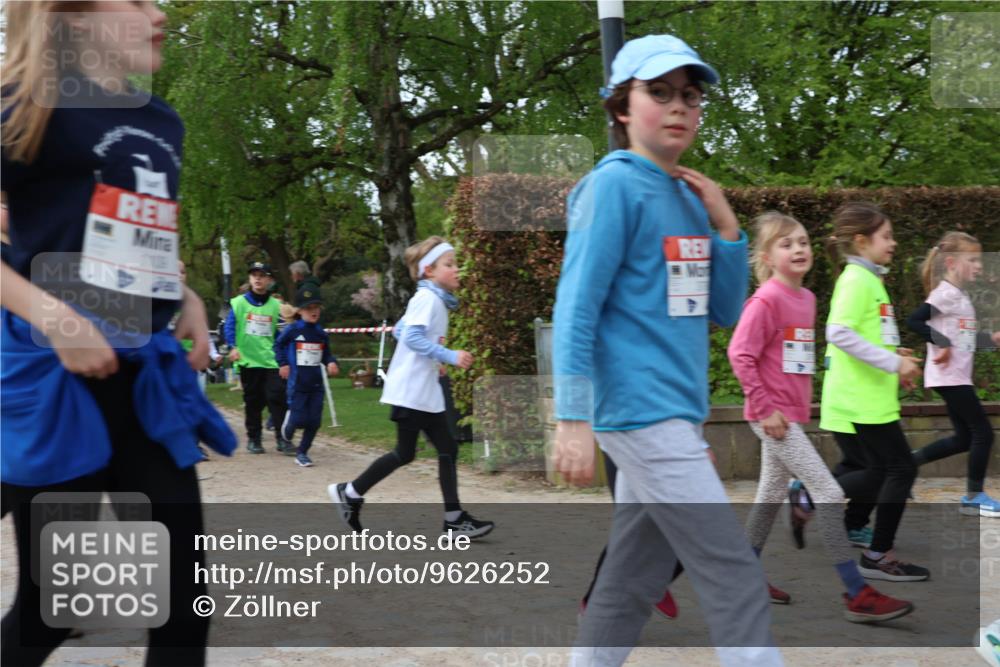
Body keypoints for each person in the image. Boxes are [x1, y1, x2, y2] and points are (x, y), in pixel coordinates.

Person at [1, 3, 236, 665]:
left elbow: (130, 239)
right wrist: (55, 318)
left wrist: (184, 295)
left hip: (145, 384)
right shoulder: (26, 107)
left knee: (185, 604)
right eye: (132, 1)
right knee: (51, 611)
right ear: (74, 18)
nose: (158, 13)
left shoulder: (163, 121)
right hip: (57, 389)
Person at [551, 34, 782, 667]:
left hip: (673, 413)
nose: (678, 105)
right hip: (641, 412)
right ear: (621, 107)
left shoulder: (687, 197)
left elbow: (723, 310)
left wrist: (727, 228)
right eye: (658, 92)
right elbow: (575, 307)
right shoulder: (611, 188)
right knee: (733, 570)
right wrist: (572, 418)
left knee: (633, 576)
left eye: (690, 95)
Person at [729, 212, 913, 622]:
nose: (798, 249)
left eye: (803, 242)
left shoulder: (807, 299)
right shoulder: (766, 300)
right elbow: (739, 354)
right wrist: (766, 408)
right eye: (786, 244)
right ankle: (857, 592)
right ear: (766, 257)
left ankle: (740, 577)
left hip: (787, 417)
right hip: (771, 417)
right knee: (828, 493)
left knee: (770, 496)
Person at [330, 236, 495, 539]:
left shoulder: (432, 299)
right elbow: (411, 337)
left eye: (456, 263)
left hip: (422, 391)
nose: (457, 269)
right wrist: (448, 355)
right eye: (449, 264)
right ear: (428, 271)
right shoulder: (428, 299)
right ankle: (351, 492)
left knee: (438, 449)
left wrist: (435, 359)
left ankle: (452, 519)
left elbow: (400, 329)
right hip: (412, 392)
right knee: (414, 452)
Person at [820, 201, 930, 582]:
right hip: (863, 400)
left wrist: (895, 356)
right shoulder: (857, 279)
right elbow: (839, 332)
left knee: (883, 471)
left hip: (871, 399)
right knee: (899, 469)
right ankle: (877, 554)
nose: (893, 243)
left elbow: (866, 335)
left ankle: (869, 544)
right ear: (861, 241)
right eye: (886, 236)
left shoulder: (869, 279)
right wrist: (893, 364)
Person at [906, 231, 1000, 517]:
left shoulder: (959, 296)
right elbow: (915, 320)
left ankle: (907, 464)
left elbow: (964, 340)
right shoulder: (945, 294)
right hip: (950, 377)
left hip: (955, 376)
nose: (979, 266)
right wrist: (942, 342)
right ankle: (973, 497)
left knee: (964, 439)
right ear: (951, 262)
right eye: (972, 260)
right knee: (983, 434)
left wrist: (991, 340)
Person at [223, 262, 292, 453]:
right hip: (249, 361)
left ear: (269, 280)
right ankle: (254, 439)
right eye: (254, 275)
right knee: (254, 402)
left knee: (277, 398)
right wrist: (233, 347)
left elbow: (282, 334)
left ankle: (283, 439)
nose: (258, 279)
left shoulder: (276, 306)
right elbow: (229, 327)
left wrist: (285, 359)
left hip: (271, 361)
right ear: (250, 278)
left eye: (262, 275)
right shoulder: (238, 303)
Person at [275, 285, 340, 467]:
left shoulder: (320, 333)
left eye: (316, 307)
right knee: (298, 419)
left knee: (314, 422)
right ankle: (288, 428)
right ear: (300, 310)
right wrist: (283, 363)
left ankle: (302, 453)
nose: (314, 311)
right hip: (298, 384)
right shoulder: (293, 330)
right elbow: (278, 345)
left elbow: (326, 354)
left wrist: (331, 362)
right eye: (309, 308)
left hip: (316, 385)